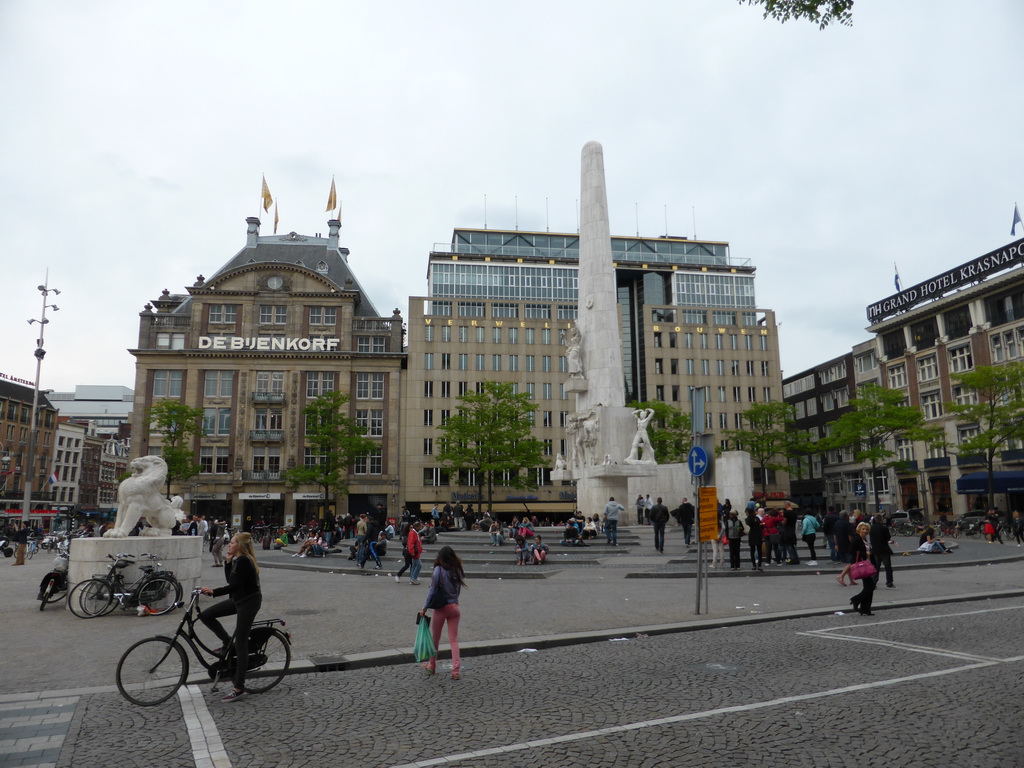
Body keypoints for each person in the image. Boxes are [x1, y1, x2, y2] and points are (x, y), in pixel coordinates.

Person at [199, 532, 262, 702]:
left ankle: (239, 687)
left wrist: (214, 592)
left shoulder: (244, 561)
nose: (229, 545)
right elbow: (232, 582)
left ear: (240, 545)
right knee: (206, 615)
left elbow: (233, 585)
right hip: (238, 599)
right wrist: (227, 563)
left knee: (241, 642)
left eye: (233, 543)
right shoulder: (237, 560)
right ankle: (227, 641)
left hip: (249, 602)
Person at [418, 545, 466, 679]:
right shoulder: (457, 570)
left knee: (435, 639)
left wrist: (424, 607)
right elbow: (457, 590)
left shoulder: (438, 570)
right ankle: (455, 671)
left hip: (441, 608)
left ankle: (432, 666)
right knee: (454, 640)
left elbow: (432, 592)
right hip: (455, 607)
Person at [848, 522, 877, 616]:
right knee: (871, 586)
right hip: (861, 566)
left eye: (867, 529)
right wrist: (865, 554)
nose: (865, 531)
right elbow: (851, 550)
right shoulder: (857, 538)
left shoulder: (864, 539)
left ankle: (865, 609)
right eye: (863, 529)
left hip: (867, 564)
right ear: (859, 529)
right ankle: (856, 599)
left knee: (869, 587)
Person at [869, 513, 897, 587]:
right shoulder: (884, 528)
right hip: (884, 549)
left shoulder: (871, 528)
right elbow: (888, 538)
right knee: (888, 567)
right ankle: (889, 582)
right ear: (881, 519)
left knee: (876, 567)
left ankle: (874, 582)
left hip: (875, 550)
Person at [746, 507, 764, 571]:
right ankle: (755, 565)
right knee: (754, 550)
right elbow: (749, 523)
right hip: (755, 535)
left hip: (756, 534)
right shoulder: (752, 518)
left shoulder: (756, 518)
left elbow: (759, 524)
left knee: (757, 550)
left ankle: (758, 565)